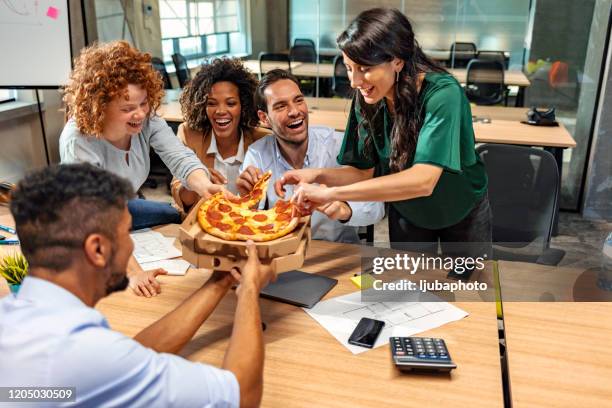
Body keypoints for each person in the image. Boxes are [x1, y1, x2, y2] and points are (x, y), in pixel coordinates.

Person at [0, 163, 275, 407]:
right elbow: (242, 396)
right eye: (127, 232)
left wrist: (221, 280)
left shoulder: (15, 318)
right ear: (97, 250)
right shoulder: (88, 356)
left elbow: (130, 356)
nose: (131, 244)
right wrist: (249, 289)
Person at [277, 8, 491, 256]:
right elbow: (363, 171)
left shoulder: (443, 93)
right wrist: (316, 175)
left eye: (364, 68)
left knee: (471, 288)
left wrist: (330, 193)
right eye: (349, 68)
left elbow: (423, 180)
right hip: (408, 211)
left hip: (460, 209)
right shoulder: (368, 97)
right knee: (410, 286)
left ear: (397, 60)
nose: (355, 81)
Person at [59, 41, 226, 296]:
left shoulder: (146, 120)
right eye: (127, 108)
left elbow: (179, 156)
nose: (140, 114)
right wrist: (134, 272)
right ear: (100, 107)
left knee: (173, 215)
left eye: (144, 103)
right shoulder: (78, 141)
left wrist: (205, 186)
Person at [237, 69, 383, 243]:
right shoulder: (257, 154)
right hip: (283, 255)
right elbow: (247, 223)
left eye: (298, 101)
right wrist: (247, 201)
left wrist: (344, 209)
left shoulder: (337, 145)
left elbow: (377, 208)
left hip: (338, 252)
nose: (294, 111)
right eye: (281, 106)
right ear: (264, 118)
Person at [171, 58, 270, 215]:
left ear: (243, 106)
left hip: (250, 227)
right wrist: (198, 181)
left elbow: (271, 202)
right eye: (211, 103)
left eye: (230, 103)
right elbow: (181, 199)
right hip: (202, 226)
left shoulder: (262, 140)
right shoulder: (188, 135)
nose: (220, 111)